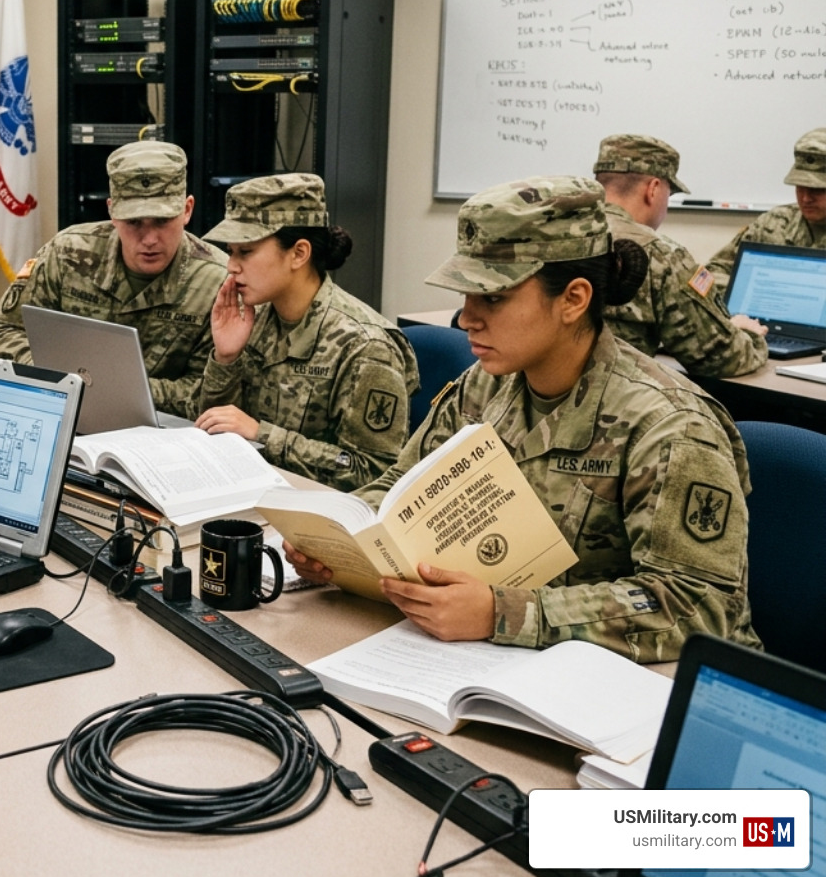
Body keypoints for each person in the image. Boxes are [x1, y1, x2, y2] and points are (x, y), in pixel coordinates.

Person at [286, 175, 760, 664]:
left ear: (573, 300)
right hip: (496, 657)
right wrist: (338, 540)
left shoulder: (671, 427)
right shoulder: (486, 383)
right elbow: (401, 485)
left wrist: (506, 613)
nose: (466, 318)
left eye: (492, 298)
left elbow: (700, 605)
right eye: (466, 295)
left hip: (637, 687)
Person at [195, 173, 419, 490]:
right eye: (230, 251)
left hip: (318, 515)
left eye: (245, 252)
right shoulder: (252, 319)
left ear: (299, 253)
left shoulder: (366, 345)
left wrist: (263, 435)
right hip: (249, 493)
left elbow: (373, 473)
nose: (231, 265)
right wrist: (226, 358)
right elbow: (210, 428)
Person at [0, 141, 225, 417]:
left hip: (159, 431)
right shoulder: (68, 254)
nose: (149, 239)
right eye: (134, 222)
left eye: (161, 221)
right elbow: (3, 332)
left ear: (187, 210)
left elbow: (207, 393)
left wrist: (116, 389)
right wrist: (60, 377)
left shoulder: (216, 282)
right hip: (65, 409)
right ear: (112, 211)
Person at [592, 133, 767, 376]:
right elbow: (721, 358)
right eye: (669, 192)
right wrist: (748, 334)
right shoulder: (660, 254)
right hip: (616, 405)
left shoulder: (552, 234)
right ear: (653, 189)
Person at [706, 127, 826, 297]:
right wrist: (746, 293)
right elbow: (711, 272)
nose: (806, 198)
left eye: (817, 190)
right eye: (800, 187)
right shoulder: (773, 223)